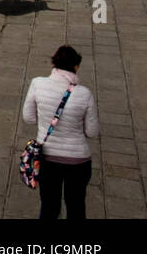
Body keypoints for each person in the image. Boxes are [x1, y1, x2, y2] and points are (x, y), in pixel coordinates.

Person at [22, 46, 99, 220]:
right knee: (76, 206)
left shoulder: (37, 84)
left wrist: (44, 122)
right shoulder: (84, 94)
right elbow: (92, 131)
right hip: (78, 161)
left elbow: (28, 118)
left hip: (48, 159)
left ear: (54, 63)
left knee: (49, 206)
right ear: (76, 67)